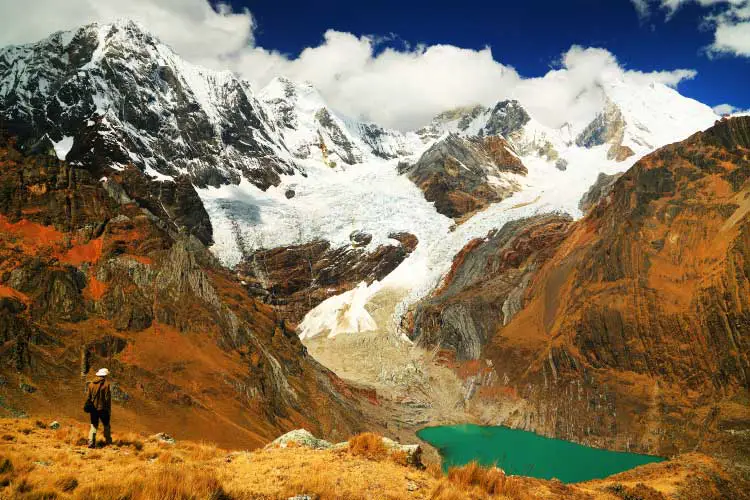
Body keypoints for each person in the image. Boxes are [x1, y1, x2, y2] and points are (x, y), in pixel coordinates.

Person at [84, 368, 112, 448]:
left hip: (93, 409)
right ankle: (108, 442)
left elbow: (88, 397)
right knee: (106, 425)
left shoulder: (91, 384)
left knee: (93, 425)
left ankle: (91, 441)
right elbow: (107, 399)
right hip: (103, 409)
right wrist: (108, 410)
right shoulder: (106, 385)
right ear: (104, 375)